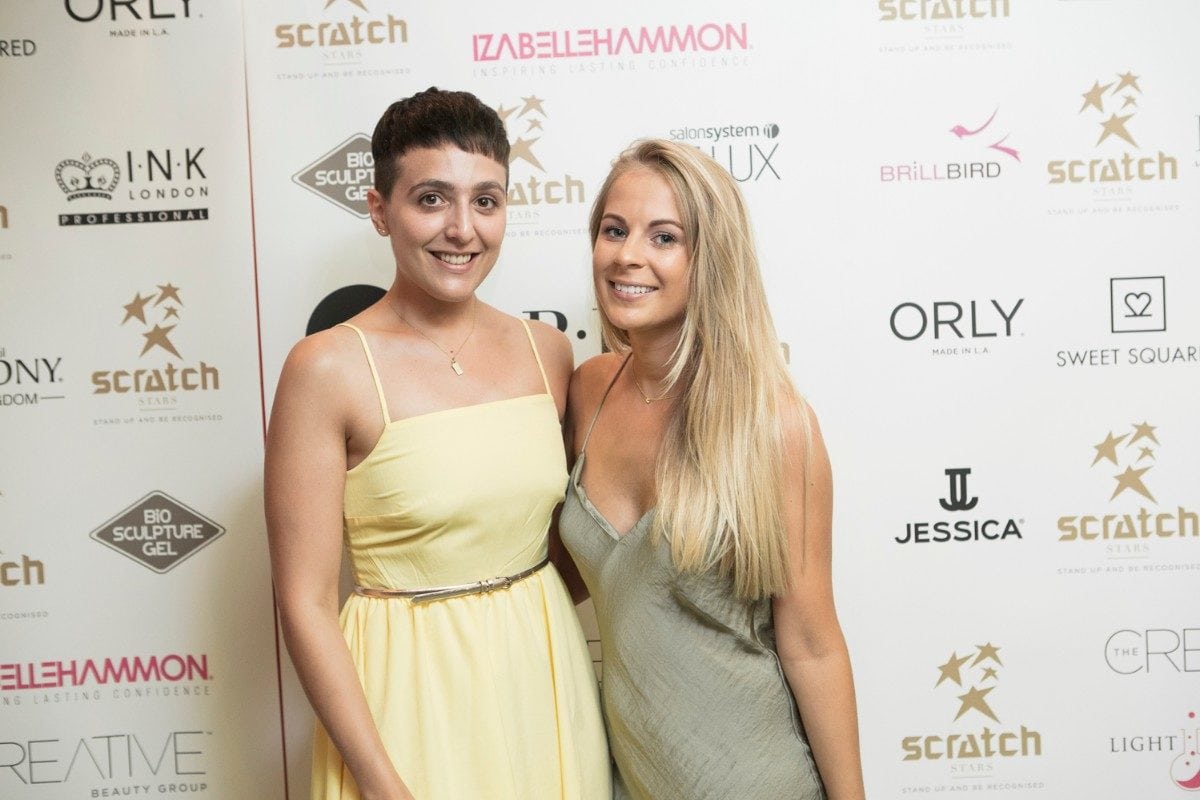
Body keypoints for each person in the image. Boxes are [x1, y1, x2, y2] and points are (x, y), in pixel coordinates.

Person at [265, 88, 610, 800]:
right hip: (405, 695)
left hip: (543, 677)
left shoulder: (547, 352)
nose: (462, 229)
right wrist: (378, 780)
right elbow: (305, 602)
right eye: (431, 200)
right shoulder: (325, 368)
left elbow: (574, 541)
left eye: (486, 201)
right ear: (379, 209)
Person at [561, 139, 866, 800]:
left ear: (711, 259)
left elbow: (812, 643)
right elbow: (559, 573)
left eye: (664, 237)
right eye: (614, 230)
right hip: (632, 779)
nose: (627, 255)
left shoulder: (774, 425)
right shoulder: (588, 391)